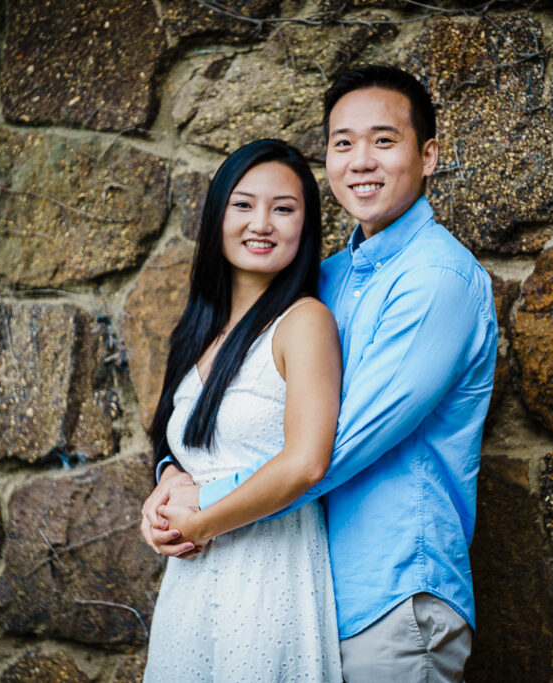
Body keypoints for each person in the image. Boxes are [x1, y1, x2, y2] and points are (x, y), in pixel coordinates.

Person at [145, 65, 498, 681]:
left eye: (384, 141)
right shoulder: (327, 279)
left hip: (391, 599)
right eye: (343, 143)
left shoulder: (436, 281)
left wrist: (202, 504)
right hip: (303, 592)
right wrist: (172, 475)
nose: (361, 160)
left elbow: (333, 447)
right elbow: (238, 405)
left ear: (429, 155)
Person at [142, 139, 344, 682]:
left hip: (270, 572)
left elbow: (307, 463)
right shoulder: (198, 329)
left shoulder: (304, 323)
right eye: (243, 204)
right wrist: (160, 501)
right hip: (191, 585)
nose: (262, 223)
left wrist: (200, 522)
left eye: (283, 208)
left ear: (305, 226)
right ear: (217, 217)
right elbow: (176, 448)